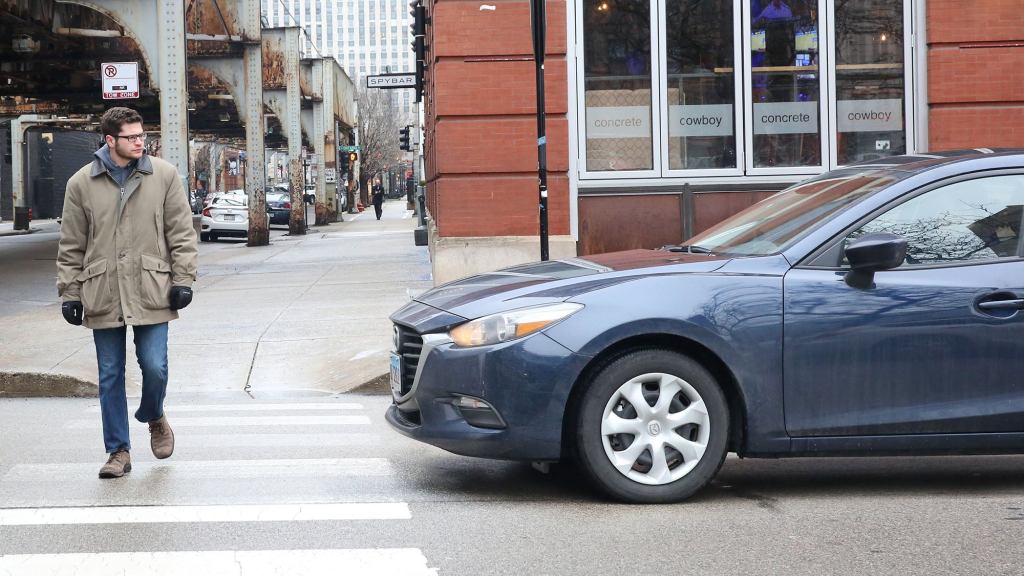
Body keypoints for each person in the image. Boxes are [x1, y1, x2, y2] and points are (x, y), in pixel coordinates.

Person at [56, 107, 198, 479]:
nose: (140, 142)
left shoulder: (164, 176)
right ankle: (118, 451)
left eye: (142, 136)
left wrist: (183, 279)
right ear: (110, 141)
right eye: (132, 137)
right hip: (102, 291)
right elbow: (72, 243)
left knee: (155, 367)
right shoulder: (80, 184)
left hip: (152, 288)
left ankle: (154, 414)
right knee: (109, 374)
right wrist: (70, 291)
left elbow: (181, 233)